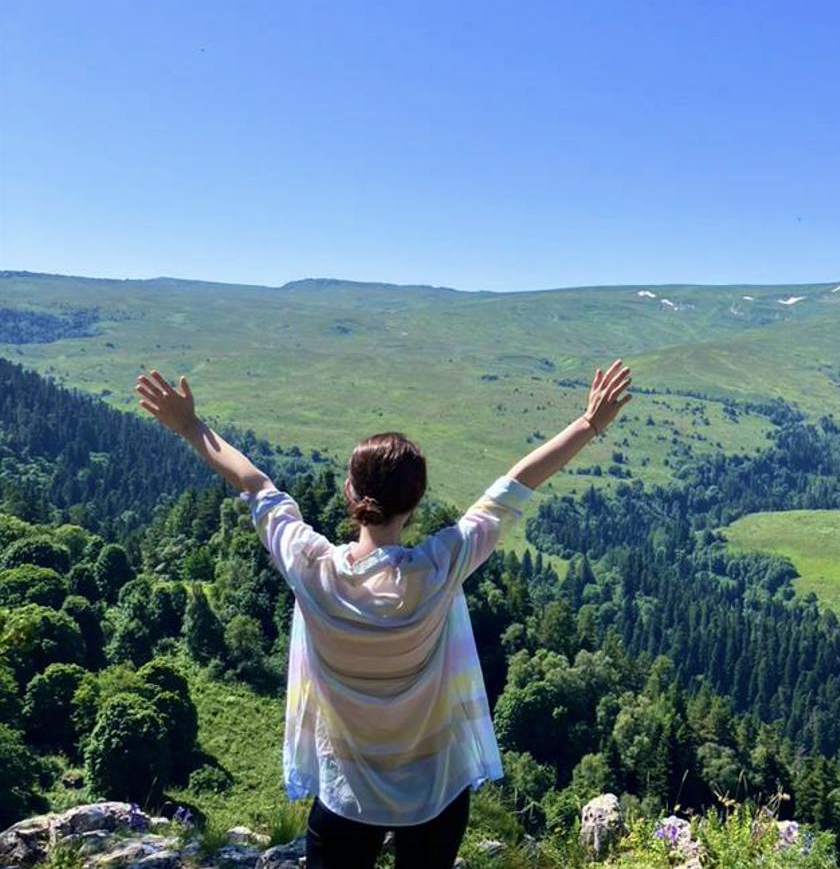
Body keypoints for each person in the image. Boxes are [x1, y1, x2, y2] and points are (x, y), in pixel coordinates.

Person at [134, 360, 633, 869]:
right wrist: (589, 422)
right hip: (436, 789)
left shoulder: (312, 569)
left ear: (351, 494)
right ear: (415, 505)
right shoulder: (440, 566)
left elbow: (256, 485)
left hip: (348, 795)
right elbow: (514, 487)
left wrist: (190, 426)